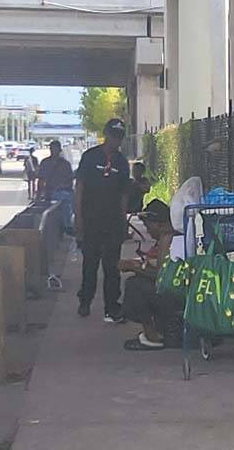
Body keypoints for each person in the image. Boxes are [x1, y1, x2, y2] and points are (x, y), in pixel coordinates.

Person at [74, 118, 130, 322]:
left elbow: (124, 194)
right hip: (91, 220)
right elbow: (79, 187)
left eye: (119, 138)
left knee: (111, 266)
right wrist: (78, 216)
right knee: (90, 263)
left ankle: (112, 307)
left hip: (113, 222)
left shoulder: (122, 163)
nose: (116, 141)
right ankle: (85, 301)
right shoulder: (90, 157)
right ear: (106, 135)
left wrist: (123, 221)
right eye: (114, 136)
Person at [118, 199, 184, 351]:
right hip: (179, 292)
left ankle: (152, 336)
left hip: (176, 295)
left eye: (148, 227)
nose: (147, 231)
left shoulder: (167, 239)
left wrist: (134, 268)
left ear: (159, 225)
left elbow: (162, 276)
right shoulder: (176, 234)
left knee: (135, 285)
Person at [36, 140, 74, 233]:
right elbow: (41, 180)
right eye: (52, 149)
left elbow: (70, 181)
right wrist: (38, 196)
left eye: (56, 149)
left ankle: (67, 226)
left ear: (60, 150)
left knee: (67, 201)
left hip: (63, 192)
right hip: (49, 192)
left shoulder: (65, 164)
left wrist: (63, 187)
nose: (54, 151)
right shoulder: (45, 162)